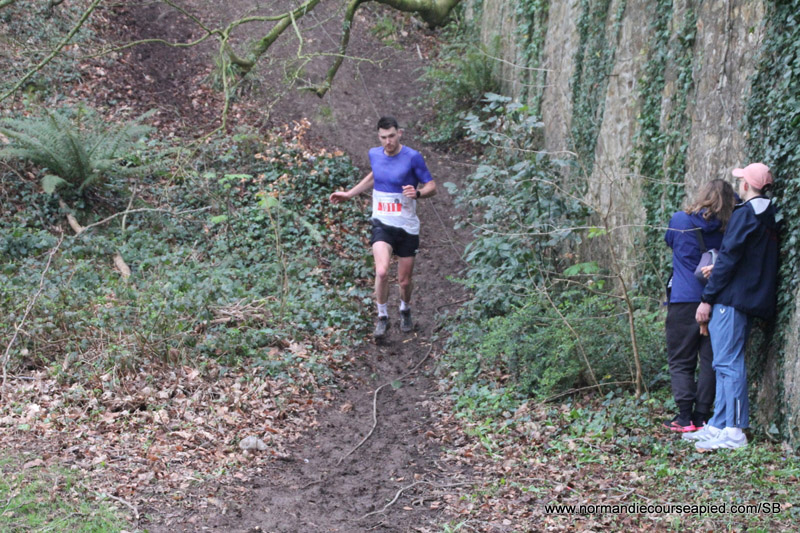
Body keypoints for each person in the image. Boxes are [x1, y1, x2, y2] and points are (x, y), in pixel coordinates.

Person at [683, 163, 778, 451]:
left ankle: (734, 430)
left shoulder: (744, 214)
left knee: (728, 363)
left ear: (746, 185)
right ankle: (720, 423)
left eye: (741, 181)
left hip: (731, 300)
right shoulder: (769, 215)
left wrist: (707, 297)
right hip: (751, 296)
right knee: (724, 362)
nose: (739, 186)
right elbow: (748, 258)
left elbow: (729, 257)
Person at [329, 116, 436, 339]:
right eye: (383, 137)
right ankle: (382, 316)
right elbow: (374, 176)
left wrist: (417, 193)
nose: (388, 141)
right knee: (382, 271)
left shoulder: (413, 157)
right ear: (379, 137)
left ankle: (405, 309)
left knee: (404, 281)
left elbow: (432, 186)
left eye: (392, 136)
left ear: (400, 134)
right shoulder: (374, 154)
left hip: (406, 226)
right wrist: (349, 194)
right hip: (382, 223)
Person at [663, 179, 736, 432]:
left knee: (681, 359)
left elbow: (669, 241)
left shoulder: (680, 221)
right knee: (709, 361)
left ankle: (684, 417)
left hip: (683, 300)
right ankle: (702, 415)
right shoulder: (728, 227)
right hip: (715, 300)